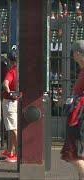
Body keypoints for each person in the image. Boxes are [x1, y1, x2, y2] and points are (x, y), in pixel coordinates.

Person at [61, 40, 84, 179]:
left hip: (81, 117)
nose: (73, 55)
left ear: (79, 54)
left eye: (74, 52)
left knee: (73, 154)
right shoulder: (82, 70)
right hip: (79, 115)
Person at [1, 51, 18, 163]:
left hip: (10, 101)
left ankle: (17, 153)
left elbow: (5, 83)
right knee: (13, 128)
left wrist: (7, 89)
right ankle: (10, 150)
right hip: (18, 101)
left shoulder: (11, 71)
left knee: (13, 129)